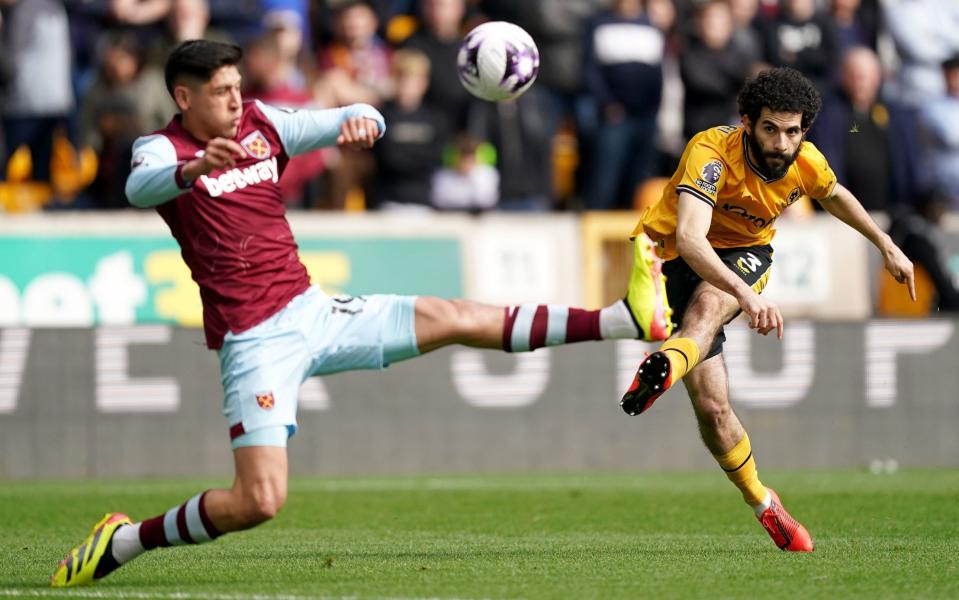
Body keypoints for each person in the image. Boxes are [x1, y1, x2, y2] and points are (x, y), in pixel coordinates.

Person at [50, 39, 672, 587]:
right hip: (255, 342)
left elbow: (348, 114)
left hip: (314, 311)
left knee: (452, 314)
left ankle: (623, 318)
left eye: (239, 86)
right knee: (258, 500)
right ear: (183, 97)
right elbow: (140, 189)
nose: (236, 101)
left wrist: (365, 121)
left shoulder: (264, 124)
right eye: (220, 92)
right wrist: (193, 169)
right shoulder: (159, 148)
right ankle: (125, 541)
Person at [619, 67, 915, 552]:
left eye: (793, 131)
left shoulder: (807, 162)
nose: (781, 143)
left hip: (744, 256)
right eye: (770, 129)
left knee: (709, 308)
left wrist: (885, 244)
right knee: (714, 409)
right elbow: (692, 240)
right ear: (747, 123)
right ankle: (763, 501)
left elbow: (835, 195)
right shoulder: (711, 153)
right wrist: (750, 296)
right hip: (672, 256)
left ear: (805, 130)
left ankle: (665, 367)